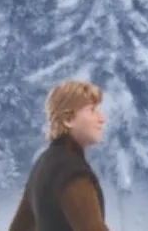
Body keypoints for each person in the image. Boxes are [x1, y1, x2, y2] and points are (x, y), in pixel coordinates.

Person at [9, 79, 109, 231]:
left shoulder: (43, 164)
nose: (102, 119)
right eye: (92, 110)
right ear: (68, 119)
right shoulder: (71, 172)